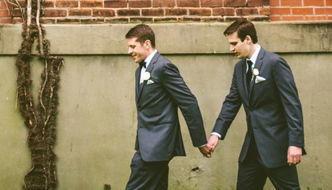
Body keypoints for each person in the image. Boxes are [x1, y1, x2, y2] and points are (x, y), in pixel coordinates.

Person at [206, 19, 305, 190]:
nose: (231, 48)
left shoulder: (275, 63)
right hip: (251, 150)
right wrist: (216, 133)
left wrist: (295, 143)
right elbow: (231, 102)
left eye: (234, 43)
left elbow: (292, 105)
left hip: (277, 148)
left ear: (248, 39)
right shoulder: (239, 68)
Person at [125, 23, 210, 190]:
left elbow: (188, 102)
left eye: (132, 46)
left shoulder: (164, 67)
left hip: (158, 144)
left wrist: (200, 141)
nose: (129, 51)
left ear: (147, 44)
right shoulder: (139, 70)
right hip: (146, 144)